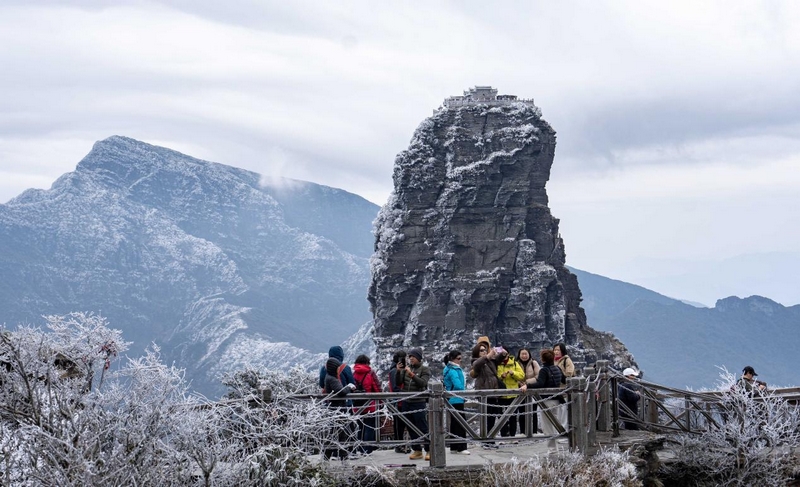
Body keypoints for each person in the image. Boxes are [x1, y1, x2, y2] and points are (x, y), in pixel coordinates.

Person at [528, 349, 566, 448]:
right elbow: (564, 379)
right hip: (557, 400)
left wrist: (527, 386)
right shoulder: (557, 368)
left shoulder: (544, 370)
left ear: (543, 359)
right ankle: (556, 447)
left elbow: (540, 384)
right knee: (555, 424)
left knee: (548, 427)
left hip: (546, 401)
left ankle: (552, 451)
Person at [322, 357, 358, 459]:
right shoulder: (332, 379)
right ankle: (336, 455)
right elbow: (340, 391)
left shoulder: (330, 377)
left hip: (336, 409)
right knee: (337, 433)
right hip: (337, 409)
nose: (339, 369)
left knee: (337, 432)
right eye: (338, 367)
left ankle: (338, 455)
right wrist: (349, 387)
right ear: (334, 368)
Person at [398, 348, 431, 460]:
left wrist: (412, 375)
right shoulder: (407, 369)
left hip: (418, 403)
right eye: (410, 356)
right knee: (410, 426)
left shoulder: (424, 369)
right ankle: (417, 450)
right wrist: (398, 371)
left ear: (418, 358)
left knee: (423, 427)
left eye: (413, 356)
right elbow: (399, 382)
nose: (411, 358)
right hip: (407, 402)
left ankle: (429, 449)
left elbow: (423, 383)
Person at [470, 343, 501, 446]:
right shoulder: (476, 361)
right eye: (481, 350)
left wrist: (502, 353)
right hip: (484, 391)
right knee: (486, 417)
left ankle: (491, 439)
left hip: (493, 391)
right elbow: (476, 365)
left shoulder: (490, 361)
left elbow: (498, 361)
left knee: (492, 417)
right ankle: (485, 440)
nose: (484, 351)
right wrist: (487, 356)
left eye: (485, 350)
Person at [352, 354, 381, 453]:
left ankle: (359, 448)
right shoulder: (370, 373)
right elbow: (377, 388)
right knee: (369, 427)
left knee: (360, 427)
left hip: (357, 406)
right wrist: (381, 401)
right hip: (370, 406)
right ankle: (367, 449)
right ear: (367, 363)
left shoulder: (354, 374)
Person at [442, 350, 470, 454]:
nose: (460, 361)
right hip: (457, 398)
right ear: (452, 359)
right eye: (458, 358)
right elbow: (458, 384)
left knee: (454, 423)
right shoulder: (453, 370)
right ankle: (461, 447)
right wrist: (464, 391)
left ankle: (454, 446)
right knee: (461, 423)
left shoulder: (447, 369)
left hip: (451, 399)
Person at [495, 347, 525, 437]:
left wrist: (513, 373)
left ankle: (513, 436)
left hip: (513, 394)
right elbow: (494, 377)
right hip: (501, 395)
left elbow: (522, 375)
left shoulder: (514, 363)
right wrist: (501, 376)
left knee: (513, 416)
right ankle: (503, 436)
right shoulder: (497, 364)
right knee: (501, 417)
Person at [388, 350, 409, 453]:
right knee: (398, 425)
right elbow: (395, 387)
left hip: (402, 401)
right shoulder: (394, 371)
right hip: (398, 402)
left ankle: (403, 445)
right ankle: (399, 445)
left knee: (403, 425)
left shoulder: (398, 370)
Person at [516, 347, 540, 435]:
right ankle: (523, 431)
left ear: (529, 354)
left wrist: (527, 383)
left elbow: (538, 376)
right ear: (519, 355)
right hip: (520, 391)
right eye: (522, 354)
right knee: (521, 411)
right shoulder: (516, 363)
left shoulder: (534, 363)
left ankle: (534, 431)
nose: (524, 356)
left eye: (526, 354)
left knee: (533, 411)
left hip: (532, 390)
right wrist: (520, 383)